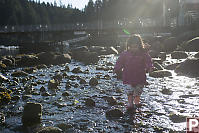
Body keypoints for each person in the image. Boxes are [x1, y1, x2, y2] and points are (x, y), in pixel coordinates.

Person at [114, 34, 153, 110]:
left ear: (140, 46)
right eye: (131, 47)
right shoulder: (125, 54)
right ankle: (130, 103)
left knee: (138, 91)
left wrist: (150, 67)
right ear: (128, 46)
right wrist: (116, 68)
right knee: (129, 91)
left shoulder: (143, 54)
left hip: (140, 77)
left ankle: (137, 101)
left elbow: (148, 61)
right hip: (128, 76)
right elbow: (119, 62)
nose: (133, 49)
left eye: (135, 47)